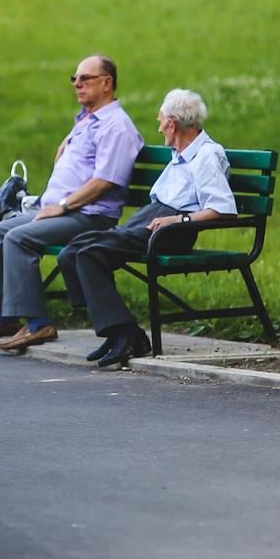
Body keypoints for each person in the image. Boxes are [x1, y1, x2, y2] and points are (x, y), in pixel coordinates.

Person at [0, 54, 144, 352]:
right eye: (74, 78)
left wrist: (62, 206)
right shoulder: (88, 120)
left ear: (107, 83)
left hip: (89, 216)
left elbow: (106, 181)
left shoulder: (116, 126)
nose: (77, 84)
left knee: (18, 238)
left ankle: (38, 324)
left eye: (85, 78)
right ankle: (5, 316)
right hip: (63, 210)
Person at [57, 88, 235, 368]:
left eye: (161, 120)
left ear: (172, 124)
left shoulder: (206, 156)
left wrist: (179, 220)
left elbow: (222, 208)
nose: (159, 126)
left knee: (91, 254)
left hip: (171, 230)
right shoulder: (181, 152)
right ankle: (116, 330)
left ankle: (126, 333)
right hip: (152, 220)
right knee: (72, 251)